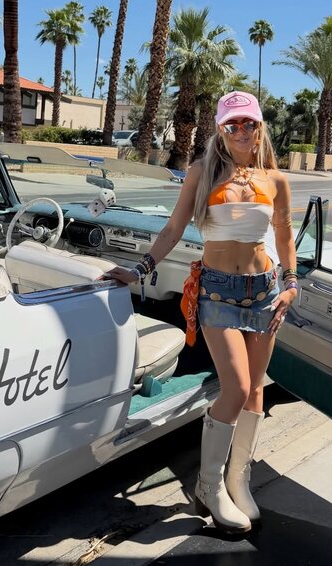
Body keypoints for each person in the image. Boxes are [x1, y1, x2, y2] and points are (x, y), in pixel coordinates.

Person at [105, 91, 298, 532]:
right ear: (220, 130)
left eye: (248, 123)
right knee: (236, 388)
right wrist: (139, 270)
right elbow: (173, 228)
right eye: (232, 125)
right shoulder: (202, 172)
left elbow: (285, 236)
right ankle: (208, 485)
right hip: (217, 294)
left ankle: (238, 478)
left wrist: (291, 284)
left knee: (256, 390)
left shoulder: (275, 179)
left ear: (260, 127)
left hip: (264, 292)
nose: (241, 131)